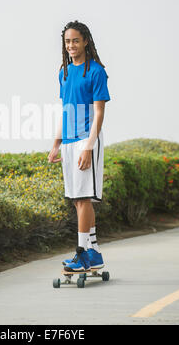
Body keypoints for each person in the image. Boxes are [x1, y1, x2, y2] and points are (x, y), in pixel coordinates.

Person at [48, 20, 111, 272]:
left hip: (87, 139)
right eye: (67, 41)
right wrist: (55, 145)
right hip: (69, 142)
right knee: (76, 200)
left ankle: (82, 253)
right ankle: (93, 252)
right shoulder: (63, 73)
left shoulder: (96, 71)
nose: (71, 45)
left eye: (75, 40)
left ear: (85, 41)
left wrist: (88, 147)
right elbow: (66, 111)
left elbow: (99, 113)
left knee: (84, 198)